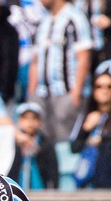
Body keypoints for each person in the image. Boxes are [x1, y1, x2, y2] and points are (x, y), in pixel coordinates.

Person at [28, 0, 92, 143]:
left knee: (64, 141)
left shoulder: (75, 18)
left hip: (65, 92)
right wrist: (31, 92)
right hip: (42, 93)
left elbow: (83, 57)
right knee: (44, 143)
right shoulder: (44, 20)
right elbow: (36, 60)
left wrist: (76, 93)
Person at [69, 71, 111, 190]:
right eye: (99, 86)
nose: (104, 90)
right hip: (89, 175)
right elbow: (74, 146)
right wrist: (86, 128)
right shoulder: (86, 115)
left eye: (109, 87)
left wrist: (102, 139)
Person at [9, 102, 58, 191]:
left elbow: (53, 172)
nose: (30, 122)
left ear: (40, 122)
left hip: (41, 192)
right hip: (15, 193)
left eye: (34, 118)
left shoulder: (47, 144)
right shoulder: (11, 143)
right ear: (19, 121)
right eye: (25, 118)